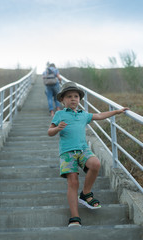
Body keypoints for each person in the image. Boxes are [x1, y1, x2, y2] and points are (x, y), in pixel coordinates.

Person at [48, 81, 129, 227]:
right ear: (62, 99)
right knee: (73, 182)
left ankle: (86, 193)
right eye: (69, 96)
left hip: (83, 150)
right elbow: (50, 132)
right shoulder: (59, 114)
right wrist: (57, 128)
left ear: (79, 99)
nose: (73, 99)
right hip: (67, 153)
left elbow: (99, 115)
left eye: (76, 96)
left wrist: (116, 112)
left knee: (96, 163)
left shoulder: (83, 114)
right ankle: (75, 217)